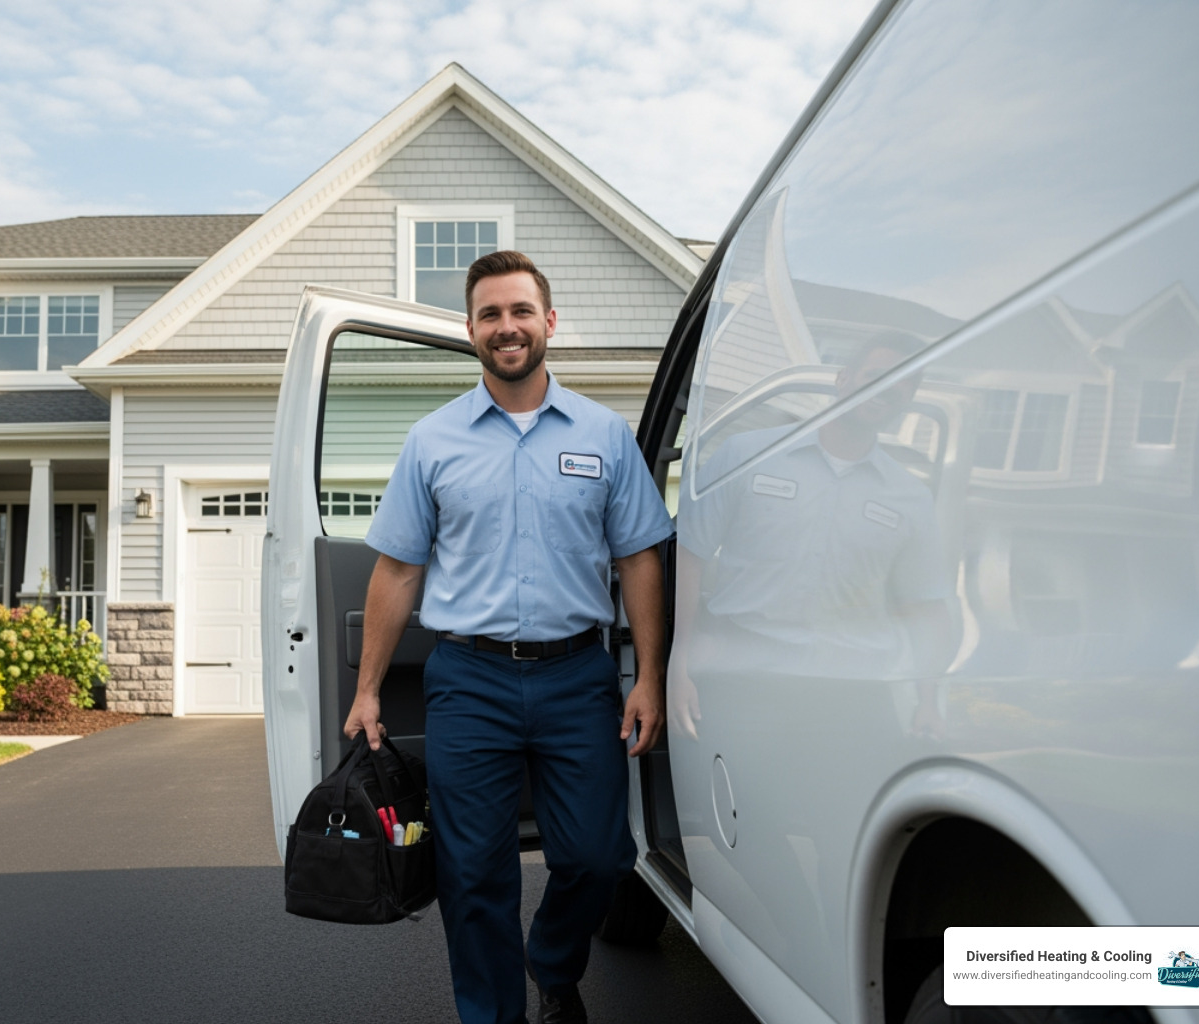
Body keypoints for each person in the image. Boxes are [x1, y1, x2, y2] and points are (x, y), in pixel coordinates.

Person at [345, 250, 674, 1024]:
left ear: (549, 322)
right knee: (473, 872)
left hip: (576, 677)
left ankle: (553, 963)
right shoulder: (433, 441)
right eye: (490, 314)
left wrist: (648, 678)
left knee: (599, 858)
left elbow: (639, 561)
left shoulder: (604, 434)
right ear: (470, 330)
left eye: (520, 310)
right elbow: (396, 572)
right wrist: (366, 690)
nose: (507, 327)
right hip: (470, 680)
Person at [671, 330, 956, 739]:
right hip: (744, 680)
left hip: (853, 691)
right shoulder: (746, 457)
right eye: (875, 375)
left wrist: (929, 701)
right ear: (844, 377)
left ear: (907, 402)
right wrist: (677, 666)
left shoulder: (911, 498)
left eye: (901, 384)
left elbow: (925, 607)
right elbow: (687, 559)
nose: (885, 390)